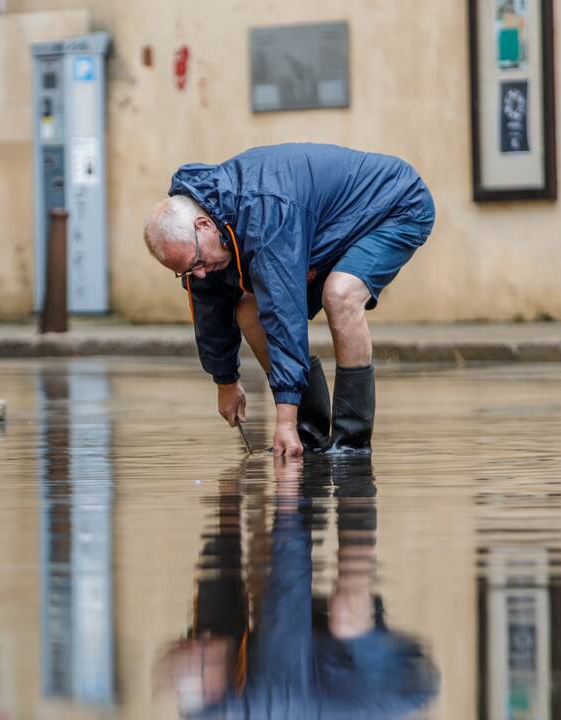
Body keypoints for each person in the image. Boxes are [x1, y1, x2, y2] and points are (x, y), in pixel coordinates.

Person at [143, 144, 436, 456]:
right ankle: (309, 434)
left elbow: (284, 316)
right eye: (187, 272)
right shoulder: (204, 236)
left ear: (204, 226)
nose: (198, 274)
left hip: (396, 205)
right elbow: (210, 308)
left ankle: (351, 442)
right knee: (248, 312)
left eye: (196, 264)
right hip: (326, 225)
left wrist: (284, 420)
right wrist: (225, 382)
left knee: (340, 294)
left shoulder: (266, 215)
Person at [154, 457, 440, 718]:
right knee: (345, 617)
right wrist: (288, 480)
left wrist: (230, 496)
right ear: (215, 682)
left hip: (317, 664)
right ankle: (355, 478)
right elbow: (288, 583)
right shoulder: (272, 691)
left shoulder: (203, 697)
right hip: (397, 679)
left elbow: (218, 579)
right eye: (198, 642)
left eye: (189, 636)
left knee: (259, 589)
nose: (199, 635)